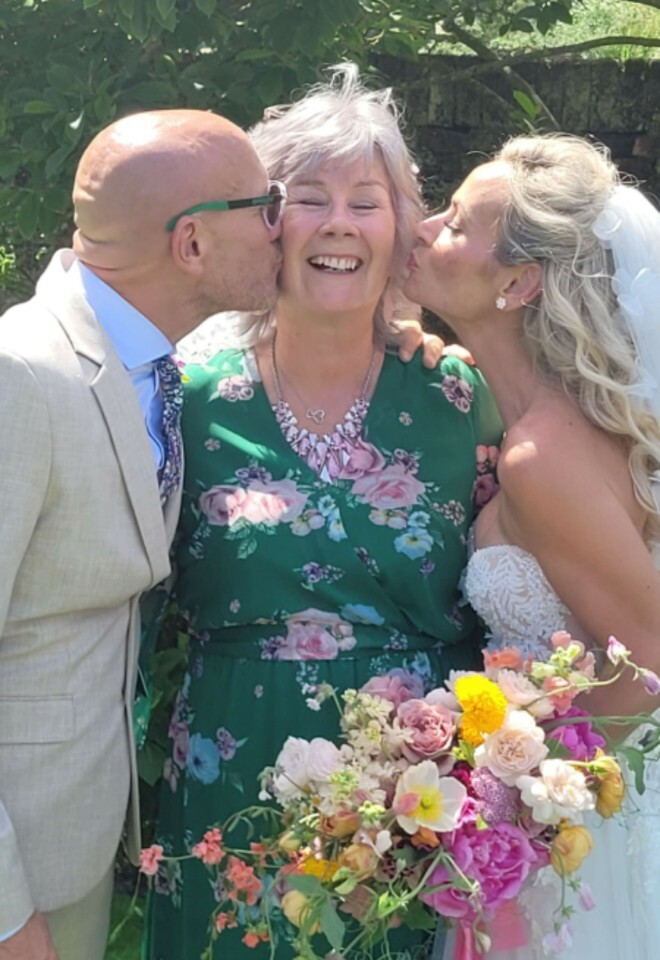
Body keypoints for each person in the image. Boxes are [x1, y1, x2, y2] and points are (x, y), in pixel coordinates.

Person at [143, 64, 502, 960]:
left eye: (366, 200)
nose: (338, 222)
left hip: (416, 795)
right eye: (309, 197)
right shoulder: (189, 396)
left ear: (402, 228)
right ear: (269, 222)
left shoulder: (456, 396)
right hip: (235, 775)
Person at [0, 108, 284, 960]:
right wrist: (9, 920)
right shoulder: (20, 378)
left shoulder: (151, 362)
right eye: (266, 205)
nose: (287, 225)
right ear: (192, 244)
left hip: (71, 848)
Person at [404, 133, 660, 958]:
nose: (421, 229)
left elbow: (649, 661)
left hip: (577, 843)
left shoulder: (544, 457)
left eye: (453, 225)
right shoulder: (529, 415)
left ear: (516, 282)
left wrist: (516, 798)